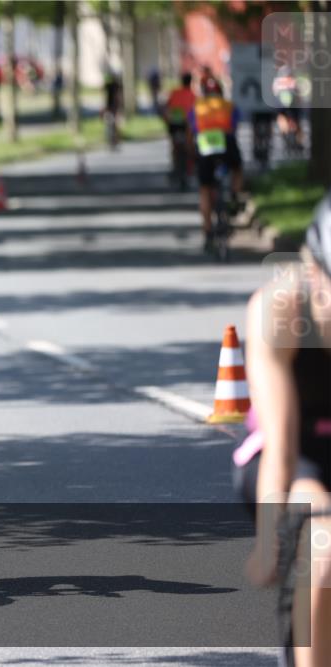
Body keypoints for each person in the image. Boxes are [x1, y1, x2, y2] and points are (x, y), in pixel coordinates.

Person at [234, 195, 331, 667]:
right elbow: (283, 446)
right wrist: (269, 539)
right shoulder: (279, 310)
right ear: (314, 273)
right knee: (324, 545)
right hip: (296, 451)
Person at [188, 76, 243, 252]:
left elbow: (192, 130)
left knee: (205, 188)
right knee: (237, 168)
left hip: (205, 144)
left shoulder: (196, 107)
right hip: (226, 142)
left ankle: (207, 231)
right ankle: (234, 197)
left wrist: (192, 153)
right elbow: (234, 127)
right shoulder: (229, 105)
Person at [162, 72, 196, 189]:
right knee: (189, 146)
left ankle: (175, 164)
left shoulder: (174, 93)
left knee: (174, 146)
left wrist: (167, 122)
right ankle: (189, 168)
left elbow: (167, 107)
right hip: (186, 125)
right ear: (190, 82)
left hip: (174, 124)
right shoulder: (193, 94)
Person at [103, 71, 123, 150]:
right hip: (110, 107)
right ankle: (112, 141)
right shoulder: (110, 85)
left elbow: (118, 97)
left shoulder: (116, 85)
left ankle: (115, 141)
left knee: (114, 125)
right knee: (111, 125)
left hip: (113, 108)